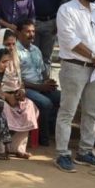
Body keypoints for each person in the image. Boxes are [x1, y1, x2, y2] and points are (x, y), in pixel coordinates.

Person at [54, 0, 95, 172]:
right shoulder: (66, 10)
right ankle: (62, 153)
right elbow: (70, 41)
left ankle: (86, 151)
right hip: (74, 67)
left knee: (92, 112)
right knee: (67, 112)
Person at [0, 28, 39, 158]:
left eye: (13, 44)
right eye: (7, 44)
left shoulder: (15, 58)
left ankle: (17, 148)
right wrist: (7, 96)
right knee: (3, 109)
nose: (11, 47)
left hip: (14, 95)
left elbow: (20, 81)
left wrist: (21, 91)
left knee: (29, 106)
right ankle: (1, 148)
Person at [17, 19, 60, 147]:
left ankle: (52, 132)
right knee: (45, 103)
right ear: (18, 33)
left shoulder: (36, 49)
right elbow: (17, 81)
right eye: (28, 31)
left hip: (40, 85)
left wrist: (48, 82)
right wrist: (40, 86)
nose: (31, 34)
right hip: (26, 88)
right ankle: (43, 138)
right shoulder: (15, 51)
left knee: (62, 98)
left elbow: (42, 71)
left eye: (33, 31)